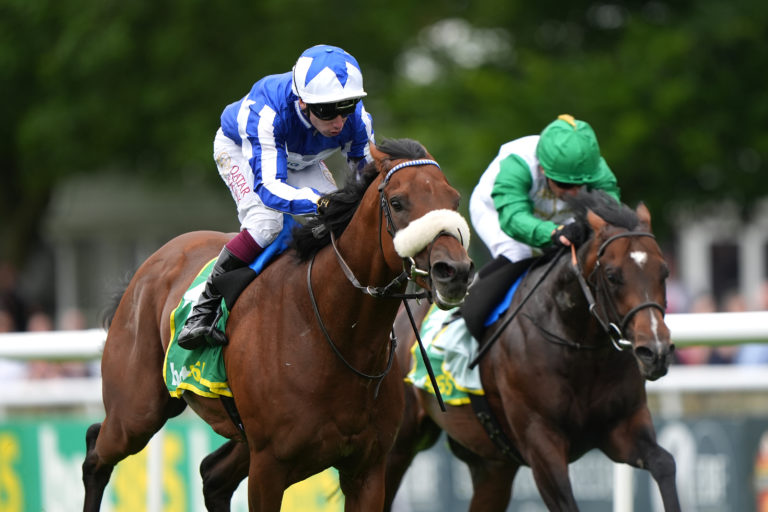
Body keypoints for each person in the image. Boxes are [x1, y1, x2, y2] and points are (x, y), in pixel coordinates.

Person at [178, 44, 374, 350]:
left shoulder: (357, 121)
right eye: (327, 110)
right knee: (266, 224)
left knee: (343, 222)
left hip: (302, 159)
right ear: (303, 103)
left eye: (346, 106)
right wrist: (320, 203)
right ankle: (204, 308)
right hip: (242, 149)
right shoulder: (268, 115)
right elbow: (270, 189)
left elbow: (365, 179)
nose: (338, 121)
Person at [461, 114, 621, 339]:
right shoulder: (518, 161)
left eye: (580, 184)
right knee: (520, 252)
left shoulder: (592, 165)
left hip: (555, 216)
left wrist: (585, 225)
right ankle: (464, 315)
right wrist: (553, 233)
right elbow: (514, 217)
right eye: (564, 184)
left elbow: (609, 205)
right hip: (499, 212)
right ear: (543, 169)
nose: (574, 193)